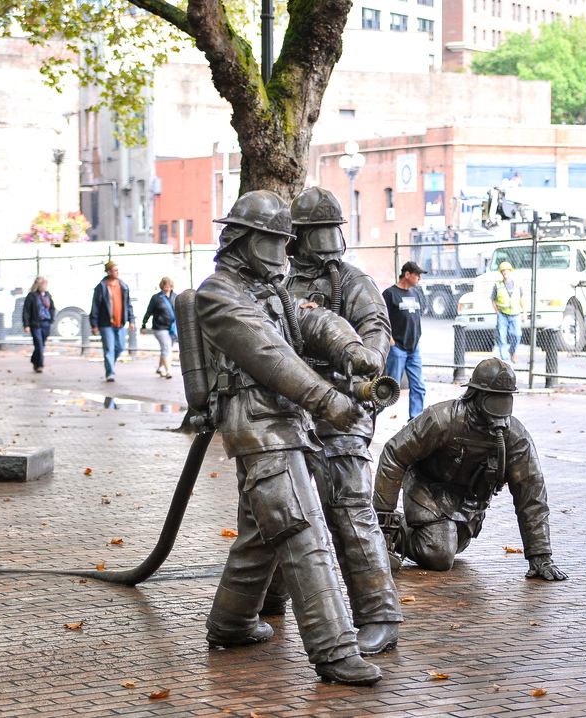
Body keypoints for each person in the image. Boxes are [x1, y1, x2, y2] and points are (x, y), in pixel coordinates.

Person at [197, 189, 383, 685]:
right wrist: (331, 401)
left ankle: (232, 623)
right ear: (244, 240)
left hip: (281, 426)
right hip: (260, 431)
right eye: (275, 243)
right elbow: (271, 357)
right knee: (304, 533)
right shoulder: (220, 295)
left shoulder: (268, 290)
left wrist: (353, 350)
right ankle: (334, 650)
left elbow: (310, 319)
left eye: (286, 243)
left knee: (263, 534)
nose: (284, 254)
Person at [267, 186, 402, 656]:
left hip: (345, 406)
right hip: (291, 406)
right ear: (295, 237)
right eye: (313, 234)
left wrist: (362, 364)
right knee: (276, 501)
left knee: (348, 503)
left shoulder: (354, 283)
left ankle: (379, 613)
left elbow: (377, 334)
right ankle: (265, 598)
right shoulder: (279, 285)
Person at [373, 358, 568, 582]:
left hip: (468, 503)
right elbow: (394, 454)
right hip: (428, 491)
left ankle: (420, 532)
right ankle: (384, 532)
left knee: (455, 544)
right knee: (440, 553)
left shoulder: (515, 437)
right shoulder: (443, 419)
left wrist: (540, 554)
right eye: (493, 399)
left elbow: (531, 493)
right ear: (476, 396)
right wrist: (383, 522)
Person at [382, 261, 426, 420]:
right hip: (397, 348)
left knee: (419, 386)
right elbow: (381, 320)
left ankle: (416, 421)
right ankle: (371, 414)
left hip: (413, 349)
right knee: (390, 388)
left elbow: (416, 318)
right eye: (417, 275)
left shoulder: (416, 293)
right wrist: (391, 341)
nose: (419, 278)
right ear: (407, 275)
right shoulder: (389, 294)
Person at [89, 260, 135, 382]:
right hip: (105, 324)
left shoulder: (123, 286)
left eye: (118, 270)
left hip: (120, 323)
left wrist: (131, 320)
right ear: (108, 272)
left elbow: (128, 304)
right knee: (109, 348)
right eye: (115, 270)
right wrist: (94, 324)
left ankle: (110, 363)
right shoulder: (101, 287)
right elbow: (95, 306)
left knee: (120, 347)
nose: (117, 272)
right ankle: (110, 373)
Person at [141, 277, 178, 379]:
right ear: (162, 285)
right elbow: (148, 312)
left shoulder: (175, 297)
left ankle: (160, 368)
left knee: (166, 348)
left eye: (169, 285)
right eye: (165, 284)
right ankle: (168, 371)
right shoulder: (156, 298)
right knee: (167, 348)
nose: (167, 287)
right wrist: (143, 325)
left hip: (172, 328)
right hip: (160, 328)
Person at [490, 261, 524, 363]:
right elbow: (493, 299)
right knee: (501, 336)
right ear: (501, 273)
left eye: (506, 271)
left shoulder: (517, 284)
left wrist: (524, 312)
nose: (505, 273)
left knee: (517, 334)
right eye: (503, 271)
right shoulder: (498, 285)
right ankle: (504, 360)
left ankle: (512, 352)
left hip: (515, 313)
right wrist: (496, 311)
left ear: (510, 271)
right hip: (502, 314)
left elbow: (521, 298)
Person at [21, 276, 55, 373]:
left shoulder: (48, 295)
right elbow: (26, 311)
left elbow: (52, 307)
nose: (44, 286)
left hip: (46, 323)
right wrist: (26, 325)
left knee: (41, 345)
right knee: (39, 344)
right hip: (35, 324)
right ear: (38, 285)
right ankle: (40, 365)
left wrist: (51, 318)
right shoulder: (31, 296)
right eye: (42, 284)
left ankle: (34, 360)